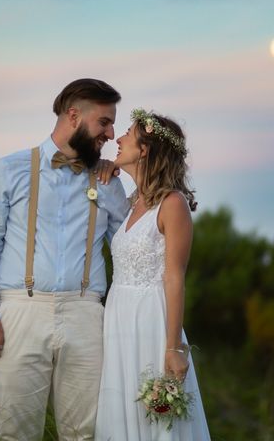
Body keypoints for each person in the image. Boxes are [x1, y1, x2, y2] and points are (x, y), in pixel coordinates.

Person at [0, 78, 130, 440]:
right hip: (19, 311)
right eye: (104, 121)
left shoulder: (106, 181)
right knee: (17, 430)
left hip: (86, 313)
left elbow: (131, 239)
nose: (111, 132)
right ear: (74, 115)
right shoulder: (8, 169)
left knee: (85, 432)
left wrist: (121, 176)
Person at [95, 108, 211, 440]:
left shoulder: (172, 204)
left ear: (145, 149)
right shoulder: (133, 202)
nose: (117, 139)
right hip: (119, 320)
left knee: (158, 422)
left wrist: (173, 347)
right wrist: (106, 168)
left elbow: (174, 277)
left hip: (151, 323)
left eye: (128, 135)